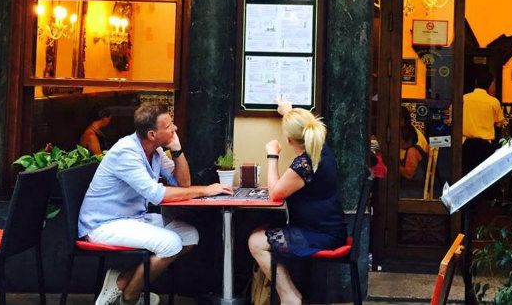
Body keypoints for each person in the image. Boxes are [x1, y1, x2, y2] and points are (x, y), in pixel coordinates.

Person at [79, 103, 232, 305]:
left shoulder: (156, 152)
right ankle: (131, 296)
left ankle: (122, 280)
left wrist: (176, 150)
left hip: (134, 218)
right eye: (169, 126)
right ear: (152, 134)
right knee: (171, 243)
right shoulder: (126, 153)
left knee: (188, 236)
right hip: (104, 224)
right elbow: (157, 195)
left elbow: (183, 183)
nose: (174, 128)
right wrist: (205, 190)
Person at [247, 103, 347, 305]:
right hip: (328, 227)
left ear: (289, 139)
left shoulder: (304, 164)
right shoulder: (322, 149)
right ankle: (291, 295)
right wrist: (288, 112)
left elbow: (275, 194)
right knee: (260, 232)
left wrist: (272, 155)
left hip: (320, 233)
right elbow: (306, 124)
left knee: (255, 242)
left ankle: (289, 297)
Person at [462, 74, 505, 175]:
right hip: (485, 145)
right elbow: (499, 124)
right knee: (484, 175)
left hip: (465, 144)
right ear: (490, 85)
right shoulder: (493, 102)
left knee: (466, 174)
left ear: (476, 83)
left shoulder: (463, 99)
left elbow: (452, 119)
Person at [399, 120, 427, 198]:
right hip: (413, 190)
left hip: (413, 192)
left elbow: (409, 175)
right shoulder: (416, 148)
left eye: (400, 138)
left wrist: (394, 165)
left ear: (407, 140)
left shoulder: (412, 151)